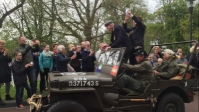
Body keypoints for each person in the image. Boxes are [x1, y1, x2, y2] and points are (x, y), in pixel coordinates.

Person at [0, 40, 13, 105]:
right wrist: (4, 55)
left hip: (6, 69)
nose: (2, 46)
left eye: (3, 45)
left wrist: (7, 55)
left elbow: (9, 60)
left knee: (8, 82)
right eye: (1, 44)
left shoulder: (4, 51)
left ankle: (7, 95)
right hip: (0, 70)